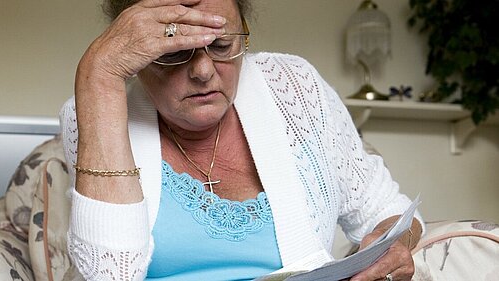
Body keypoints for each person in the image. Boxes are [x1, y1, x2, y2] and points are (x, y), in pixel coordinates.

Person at [59, 0, 424, 280]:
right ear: (135, 53)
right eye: (173, 51)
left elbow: (389, 209)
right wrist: (100, 70)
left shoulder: (295, 86)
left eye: (221, 45)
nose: (203, 71)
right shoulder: (95, 109)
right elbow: (108, 273)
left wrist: (392, 250)